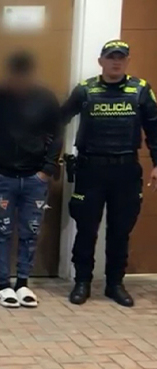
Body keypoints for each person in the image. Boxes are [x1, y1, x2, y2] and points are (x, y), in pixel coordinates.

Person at [62, 40, 157, 307]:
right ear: (101, 61)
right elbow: (59, 119)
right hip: (91, 170)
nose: (116, 61)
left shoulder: (141, 90)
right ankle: (82, 282)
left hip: (126, 171)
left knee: (120, 231)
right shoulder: (85, 89)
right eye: (111, 57)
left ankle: (115, 284)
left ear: (127, 61)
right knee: (86, 229)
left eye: (121, 57)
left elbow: (154, 128)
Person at [0, 51, 62, 308]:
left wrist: (47, 169)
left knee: (30, 231)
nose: (19, 80)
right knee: (3, 231)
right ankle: (4, 285)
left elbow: (57, 134)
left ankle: (23, 283)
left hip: (34, 178)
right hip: (2, 176)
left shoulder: (46, 98)